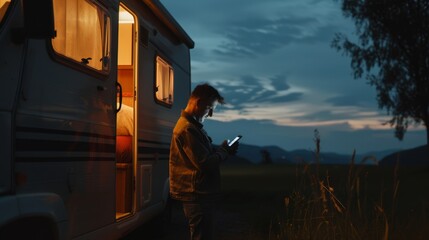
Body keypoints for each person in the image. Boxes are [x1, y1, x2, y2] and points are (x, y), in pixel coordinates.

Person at [169, 83, 239, 240]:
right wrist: (224, 152)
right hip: (197, 196)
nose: (211, 114)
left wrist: (218, 150)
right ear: (198, 103)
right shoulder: (187, 129)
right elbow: (205, 164)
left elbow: (201, 157)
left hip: (199, 194)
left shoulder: (193, 127)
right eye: (209, 108)